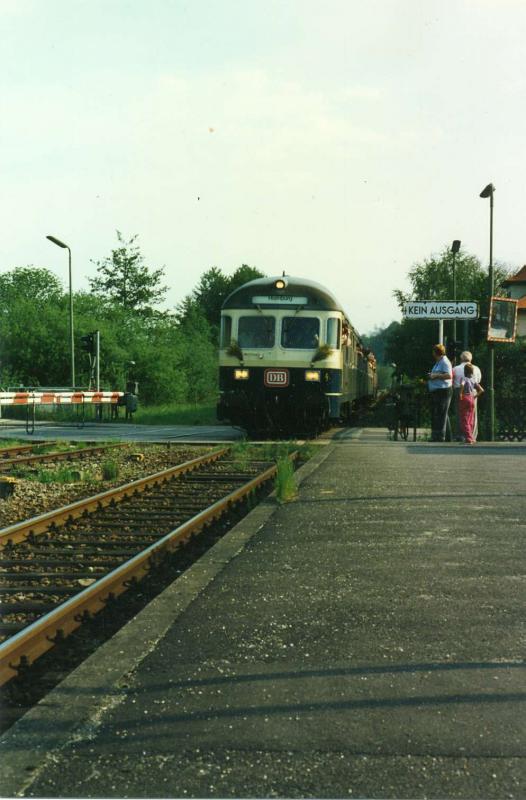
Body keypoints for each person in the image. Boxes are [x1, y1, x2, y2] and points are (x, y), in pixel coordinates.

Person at [452, 351, 482, 440]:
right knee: (472, 415)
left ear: (461, 358)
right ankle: (472, 436)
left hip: (460, 391)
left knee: (460, 414)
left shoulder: (456, 368)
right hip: (472, 391)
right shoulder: (476, 368)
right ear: (471, 359)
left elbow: (453, 380)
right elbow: (478, 381)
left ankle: (461, 435)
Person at [428, 344, 453, 442]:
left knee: (441, 413)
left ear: (436, 352)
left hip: (444, 390)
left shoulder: (445, 362)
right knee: (440, 413)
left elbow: (448, 375)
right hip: (438, 390)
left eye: (433, 351)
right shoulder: (439, 362)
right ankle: (442, 436)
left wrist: (435, 376)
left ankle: (440, 436)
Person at [458, 363, 484, 444]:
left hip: (465, 397)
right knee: (470, 418)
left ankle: (469, 438)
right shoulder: (473, 380)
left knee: (464, 418)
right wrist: (475, 396)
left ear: (465, 371)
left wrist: (460, 393)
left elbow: (462, 385)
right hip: (472, 398)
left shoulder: (464, 378)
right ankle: (472, 437)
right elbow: (481, 390)